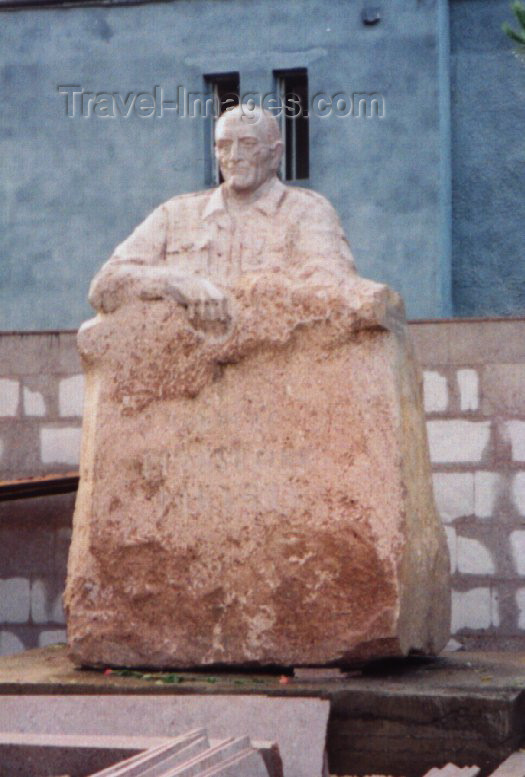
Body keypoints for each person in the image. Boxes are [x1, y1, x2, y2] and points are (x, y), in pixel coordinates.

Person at [89, 105, 399, 325]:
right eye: (224, 146)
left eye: (247, 144)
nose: (234, 157)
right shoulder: (176, 214)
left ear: (275, 153)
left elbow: (332, 288)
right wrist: (181, 283)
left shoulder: (307, 211)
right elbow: (105, 285)